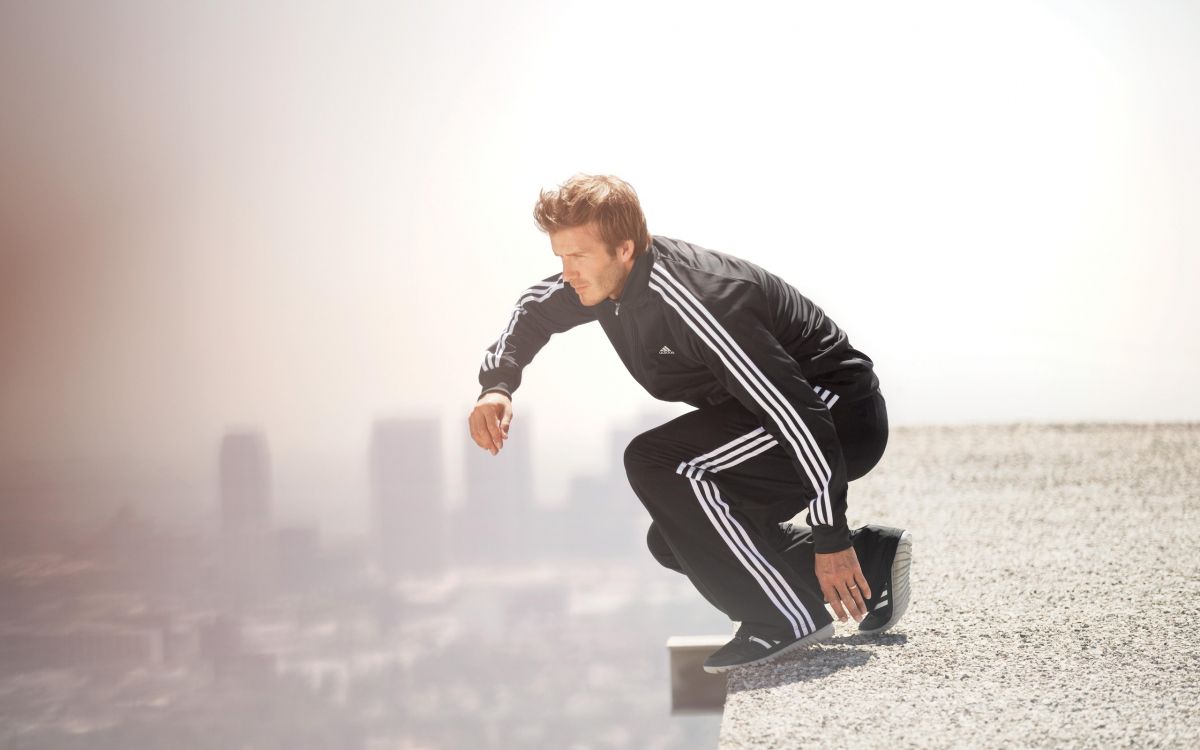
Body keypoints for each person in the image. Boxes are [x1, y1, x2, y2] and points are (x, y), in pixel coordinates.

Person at [467, 174, 912, 672]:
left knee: (658, 461)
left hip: (834, 414)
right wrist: (497, 386)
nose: (567, 272)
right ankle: (873, 558)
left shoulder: (698, 300)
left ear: (624, 249)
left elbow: (796, 413)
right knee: (681, 541)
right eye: (561, 257)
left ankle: (782, 618)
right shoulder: (604, 283)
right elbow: (533, 308)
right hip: (770, 416)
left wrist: (831, 535)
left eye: (579, 256)